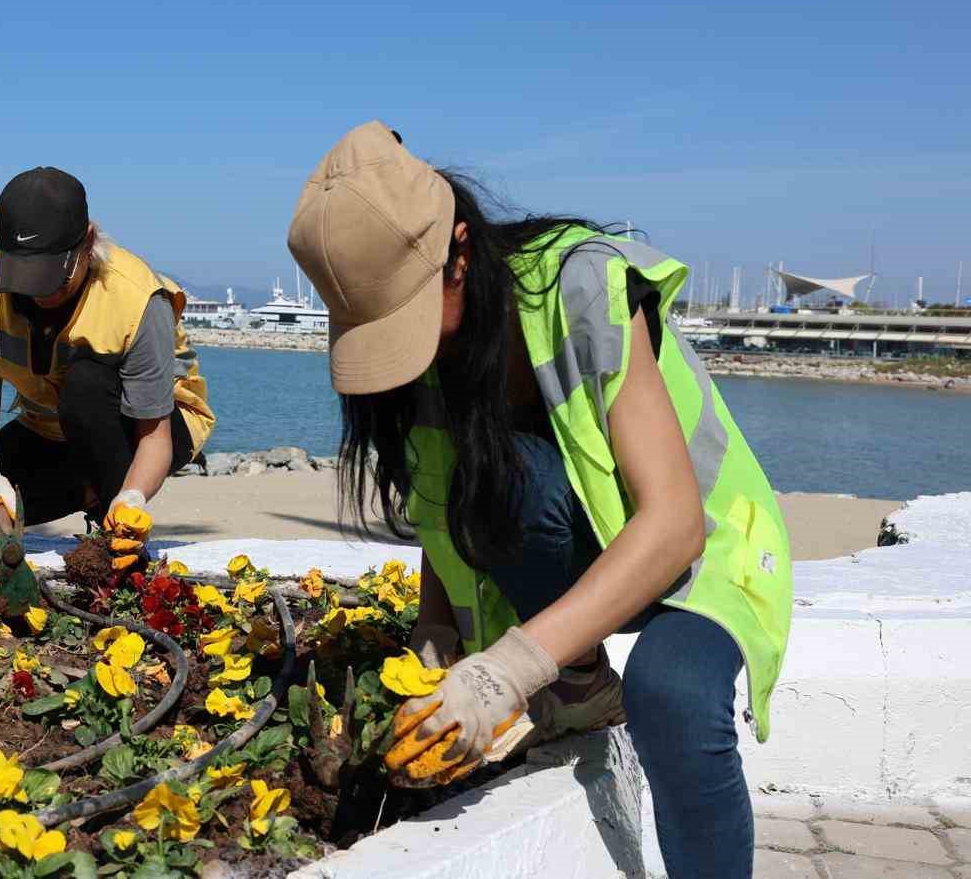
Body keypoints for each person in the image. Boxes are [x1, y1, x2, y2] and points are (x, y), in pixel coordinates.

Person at [286, 122, 791, 879]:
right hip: (580, 553)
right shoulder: (434, 352)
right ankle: (581, 686)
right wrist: (436, 631)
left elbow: (675, 522)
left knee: (674, 696)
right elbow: (441, 500)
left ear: (461, 251)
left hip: (697, 549)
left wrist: (508, 672)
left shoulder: (579, 286)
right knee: (505, 472)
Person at [0, 167, 216, 555]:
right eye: (27, 277)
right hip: (51, 426)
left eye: (54, 277)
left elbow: (155, 436)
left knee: (85, 385)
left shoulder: (138, 299)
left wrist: (131, 498)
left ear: (88, 242)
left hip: (151, 425)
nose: (42, 294)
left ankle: (110, 522)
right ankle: (87, 489)